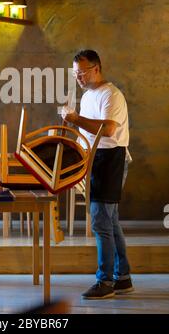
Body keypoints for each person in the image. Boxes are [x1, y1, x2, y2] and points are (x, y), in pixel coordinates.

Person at [61, 49, 133, 299]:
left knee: (101, 222)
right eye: (75, 73)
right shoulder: (89, 96)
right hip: (96, 159)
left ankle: (105, 281)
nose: (78, 77)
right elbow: (89, 133)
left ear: (97, 68)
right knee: (110, 222)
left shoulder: (110, 94)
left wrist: (75, 118)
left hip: (112, 158)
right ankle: (122, 277)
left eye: (82, 72)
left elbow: (109, 130)